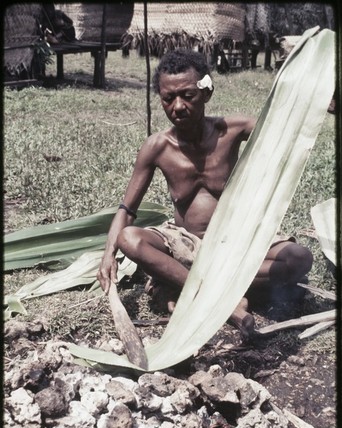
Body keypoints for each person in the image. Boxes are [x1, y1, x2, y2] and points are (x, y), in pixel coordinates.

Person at [97, 49, 313, 340]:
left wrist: (320, 98)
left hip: (238, 241)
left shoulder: (233, 130)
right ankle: (219, 297)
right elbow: (127, 209)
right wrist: (108, 254)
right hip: (188, 246)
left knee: (298, 258)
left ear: (207, 92)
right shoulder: (157, 147)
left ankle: (186, 287)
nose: (178, 106)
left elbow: (285, 125)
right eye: (168, 98)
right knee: (129, 238)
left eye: (187, 95)